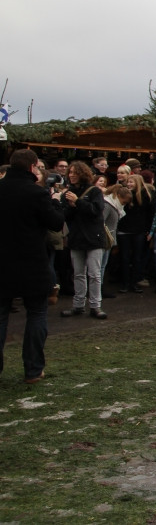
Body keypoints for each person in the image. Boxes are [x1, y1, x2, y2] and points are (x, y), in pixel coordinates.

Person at [0, 150, 65, 384]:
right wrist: (56, 202)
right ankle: (34, 369)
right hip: (32, 263)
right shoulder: (36, 194)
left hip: (2, 263)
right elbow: (56, 224)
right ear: (32, 168)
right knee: (37, 314)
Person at [59, 161, 109, 319]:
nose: (72, 175)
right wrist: (70, 205)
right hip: (76, 238)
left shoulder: (94, 191)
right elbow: (65, 216)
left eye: (75, 172)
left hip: (94, 238)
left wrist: (78, 202)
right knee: (78, 273)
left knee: (94, 274)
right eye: (70, 172)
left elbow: (95, 211)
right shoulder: (67, 192)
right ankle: (78, 304)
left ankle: (95, 306)